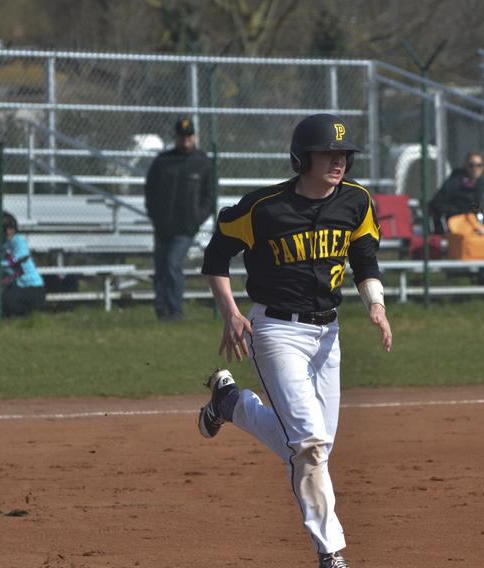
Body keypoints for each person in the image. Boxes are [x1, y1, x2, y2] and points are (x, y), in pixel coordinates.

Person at [198, 113, 392, 568]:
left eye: (343, 154)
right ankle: (332, 552)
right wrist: (230, 312)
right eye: (328, 152)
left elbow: (365, 258)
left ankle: (230, 404)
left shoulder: (356, 201)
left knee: (315, 445)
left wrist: (376, 305)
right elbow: (216, 255)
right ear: (302, 157)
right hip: (276, 330)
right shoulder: (264, 208)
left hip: (329, 333)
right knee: (307, 444)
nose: (338, 161)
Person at [144, 116, 214, 321]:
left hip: (185, 227)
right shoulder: (163, 161)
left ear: (194, 137)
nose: (185, 141)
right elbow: (150, 190)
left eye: (189, 137)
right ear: (175, 137)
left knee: (173, 264)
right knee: (160, 266)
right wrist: (154, 214)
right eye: (181, 137)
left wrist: (196, 219)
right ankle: (161, 309)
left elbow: (209, 196)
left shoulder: (203, 163)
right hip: (162, 225)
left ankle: (175, 310)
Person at [0, 212, 46, 317]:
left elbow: (19, 257)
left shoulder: (18, 240)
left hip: (33, 287)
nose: (8, 231)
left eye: (11, 227)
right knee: (2, 300)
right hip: (13, 286)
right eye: (5, 228)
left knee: (7, 301)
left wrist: (0, 263)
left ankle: (29, 317)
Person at [428, 152, 484, 235]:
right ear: (466, 166)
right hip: (455, 220)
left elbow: (477, 206)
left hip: (472, 219)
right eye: (471, 165)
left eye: (479, 165)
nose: (475, 168)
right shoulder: (454, 182)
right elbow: (437, 203)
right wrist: (459, 211)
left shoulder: (480, 185)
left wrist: (473, 212)